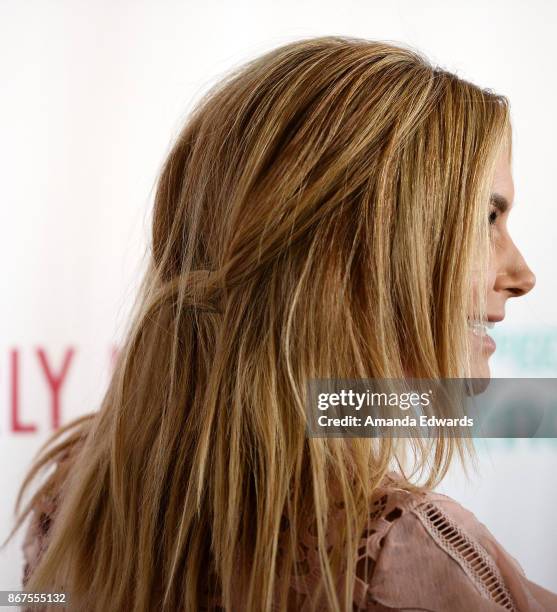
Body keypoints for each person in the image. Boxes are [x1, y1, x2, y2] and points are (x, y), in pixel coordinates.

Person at [7, 36, 557, 611]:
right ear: (346, 244)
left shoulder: (72, 495)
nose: (522, 275)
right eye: (485, 218)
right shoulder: (398, 558)